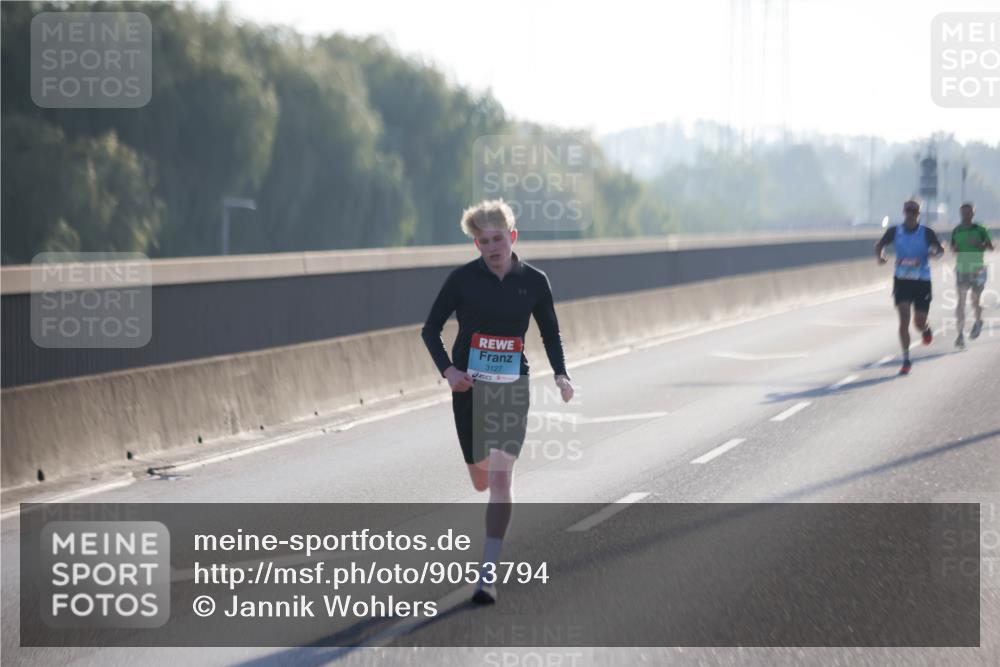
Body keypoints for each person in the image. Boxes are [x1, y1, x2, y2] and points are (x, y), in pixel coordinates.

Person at [421, 199, 574, 604]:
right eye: (484, 241)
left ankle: (486, 575)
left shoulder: (535, 281)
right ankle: (484, 490)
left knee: (502, 481)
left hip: (512, 387)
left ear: (513, 236)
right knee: (481, 480)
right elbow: (430, 329)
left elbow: (551, 333)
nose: (492, 247)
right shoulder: (462, 280)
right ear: (476, 244)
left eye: (498, 239)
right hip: (469, 389)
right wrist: (449, 372)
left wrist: (561, 373)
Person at [875, 199, 945, 375]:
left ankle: (926, 329)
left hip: (922, 281)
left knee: (919, 321)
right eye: (908, 211)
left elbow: (940, 250)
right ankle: (906, 359)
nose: (911, 214)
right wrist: (880, 256)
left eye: (914, 212)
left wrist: (935, 253)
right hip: (902, 280)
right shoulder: (894, 231)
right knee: (904, 320)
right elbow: (880, 244)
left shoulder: (926, 232)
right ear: (904, 212)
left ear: (918, 214)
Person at [950, 202, 994, 348]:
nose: (965, 215)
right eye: (963, 213)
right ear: (960, 213)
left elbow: (991, 247)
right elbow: (953, 248)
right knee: (961, 302)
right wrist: (955, 249)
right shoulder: (956, 230)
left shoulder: (980, 229)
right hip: (962, 270)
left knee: (975, 301)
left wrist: (979, 244)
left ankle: (978, 321)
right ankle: (960, 335)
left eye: (968, 212)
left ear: (973, 214)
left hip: (978, 270)